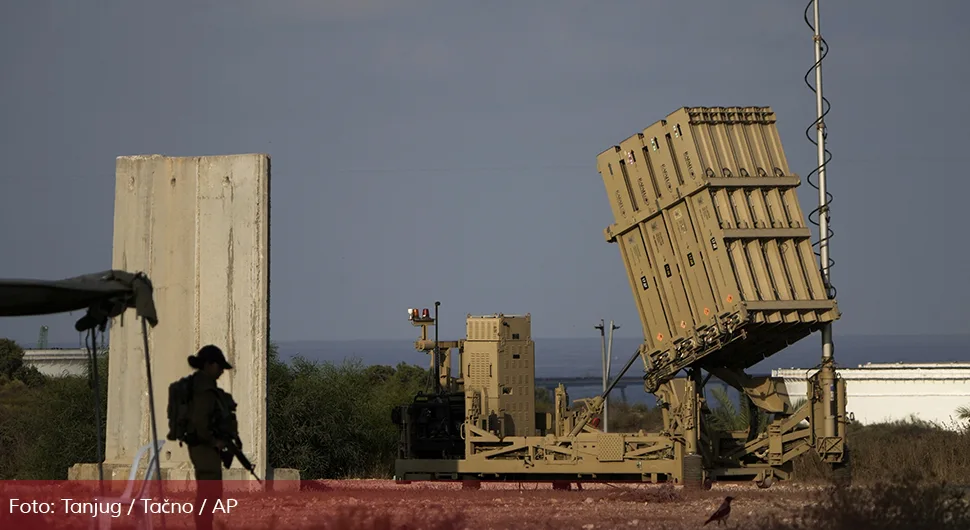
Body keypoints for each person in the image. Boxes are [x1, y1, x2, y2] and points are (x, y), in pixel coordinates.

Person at [186, 344, 234, 530]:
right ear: (209, 365)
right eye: (219, 366)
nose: (222, 371)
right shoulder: (204, 389)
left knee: (211, 493)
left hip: (204, 446)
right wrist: (215, 441)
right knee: (209, 493)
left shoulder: (203, 386)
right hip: (203, 447)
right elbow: (200, 424)